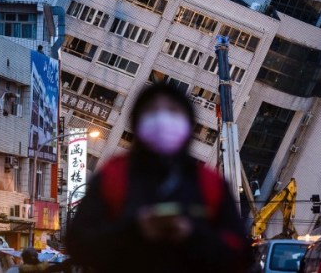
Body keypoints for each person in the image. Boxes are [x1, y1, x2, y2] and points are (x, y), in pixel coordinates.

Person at [67, 83, 252, 273]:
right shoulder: (114, 175)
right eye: (152, 110)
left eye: (172, 111)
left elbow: (240, 253)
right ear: (137, 120)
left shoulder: (209, 183)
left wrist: (191, 234)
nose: (162, 119)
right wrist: (135, 229)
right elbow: (79, 243)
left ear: (188, 121)